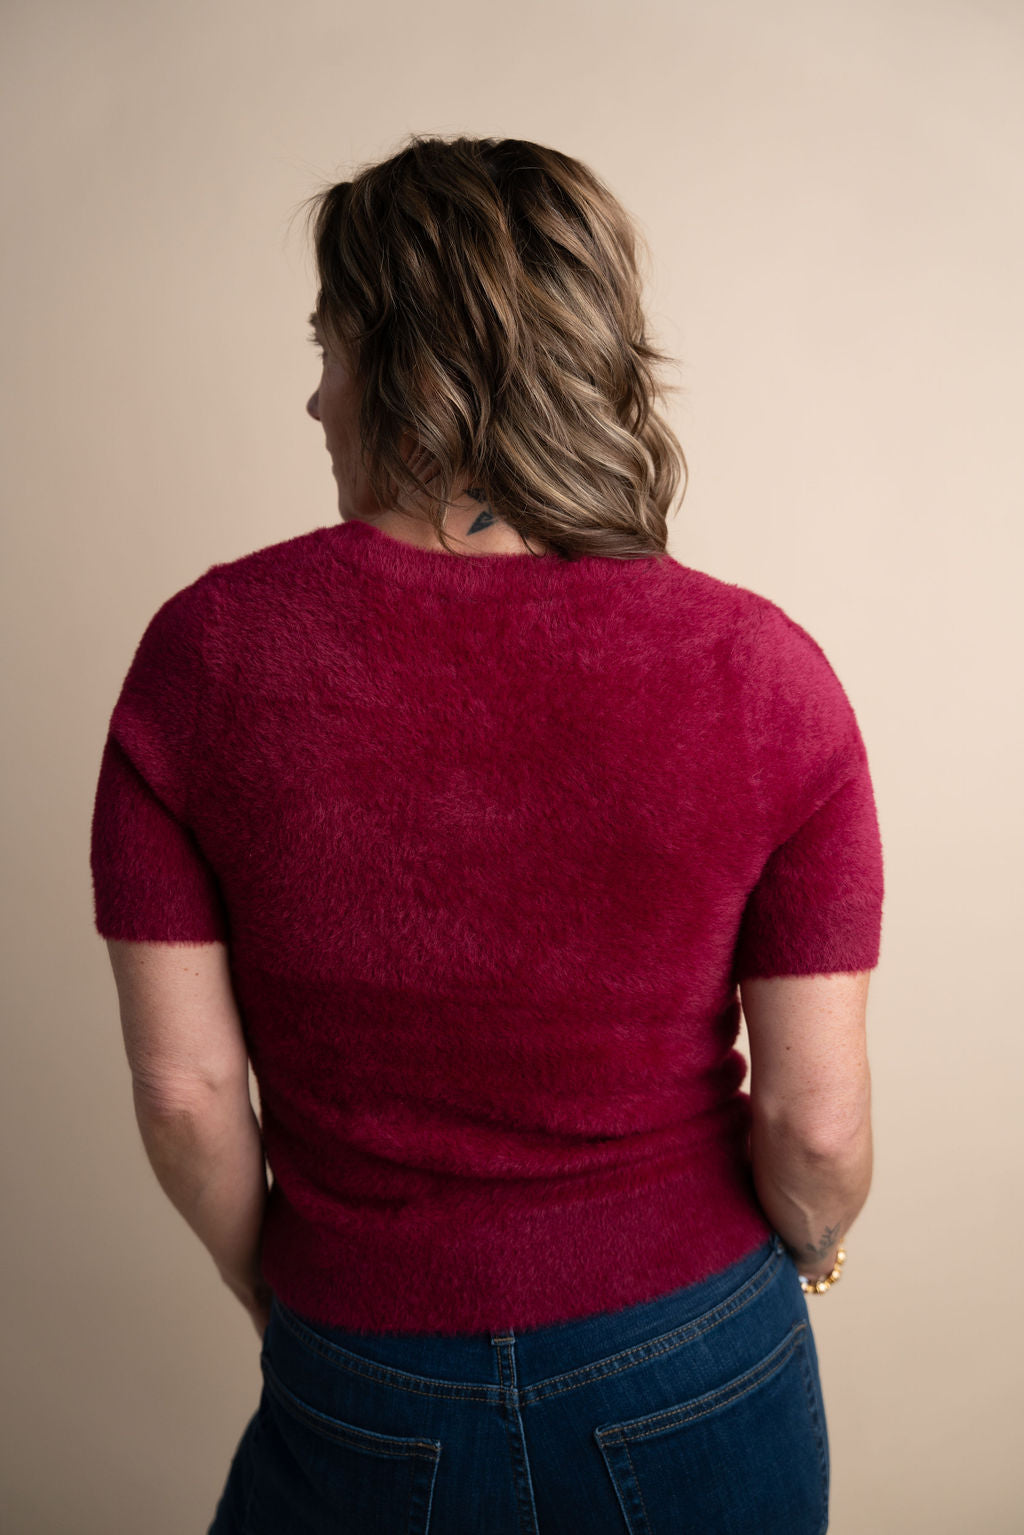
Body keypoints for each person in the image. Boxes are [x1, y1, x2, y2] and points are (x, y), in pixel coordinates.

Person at [89, 134, 883, 1535]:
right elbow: (815, 1127)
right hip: (693, 1345)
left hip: (363, 1359)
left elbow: (184, 1094)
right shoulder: (763, 671)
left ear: (407, 369)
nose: (315, 398)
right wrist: (810, 1256)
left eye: (331, 348)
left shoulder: (203, 657)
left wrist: (279, 1293)